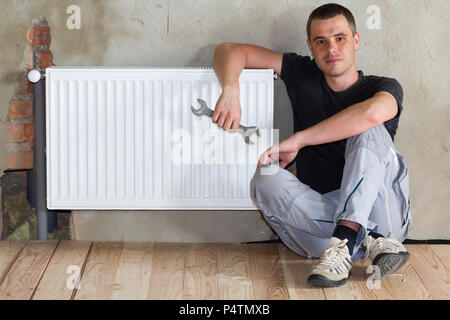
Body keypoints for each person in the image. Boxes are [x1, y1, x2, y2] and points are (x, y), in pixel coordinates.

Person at [211, 3, 412, 288]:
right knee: (264, 178)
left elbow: (370, 114)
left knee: (368, 130)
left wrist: (299, 139)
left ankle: (349, 237)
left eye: (340, 38)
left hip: (383, 213)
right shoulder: (301, 73)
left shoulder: (382, 87)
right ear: (311, 46)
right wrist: (230, 90)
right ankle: (362, 240)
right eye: (321, 41)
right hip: (325, 233)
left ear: (355, 41)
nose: (331, 48)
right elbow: (229, 50)